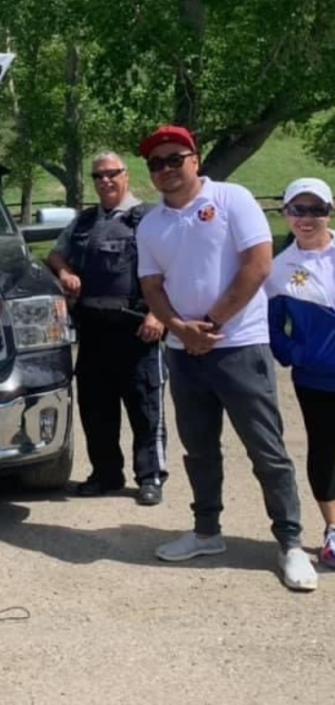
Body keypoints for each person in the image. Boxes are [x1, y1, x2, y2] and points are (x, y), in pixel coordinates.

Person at [135, 125, 317, 591]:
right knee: (199, 450)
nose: (167, 169)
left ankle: (290, 543)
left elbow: (259, 264)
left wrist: (210, 325)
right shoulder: (151, 224)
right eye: (157, 164)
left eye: (175, 158)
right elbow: (151, 287)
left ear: (195, 159)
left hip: (239, 345)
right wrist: (179, 330)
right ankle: (206, 531)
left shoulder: (233, 199)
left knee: (267, 450)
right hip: (184, 352)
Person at [48, 152, 167, 505]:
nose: (105, 181)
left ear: (126, 176)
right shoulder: (84, 222)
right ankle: (106, 474)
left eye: (112, 174)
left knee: (145, 408)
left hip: (137, 328)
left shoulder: (149, 219)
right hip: (93, 330)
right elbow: (56, 255)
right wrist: (65, 273)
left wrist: (158, 315)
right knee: (96, 408)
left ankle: (150, 477)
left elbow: (171, 269)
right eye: (98, 176)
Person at [266, 177, 335, 570]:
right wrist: (297, 354)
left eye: (315, 209)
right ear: (286, 213)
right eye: (298, 209)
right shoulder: (278, 269)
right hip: (317, 379)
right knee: (325, 451)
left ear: (328, 211)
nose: (306, 218)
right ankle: (332, 529)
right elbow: (273, 329)